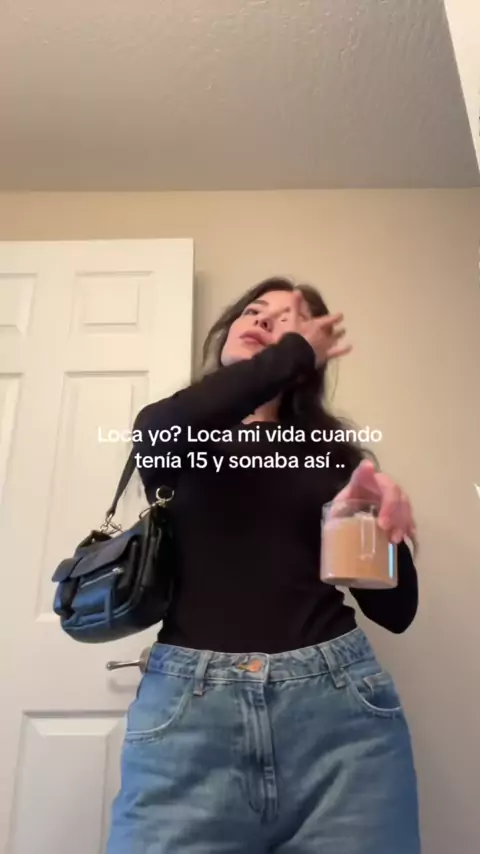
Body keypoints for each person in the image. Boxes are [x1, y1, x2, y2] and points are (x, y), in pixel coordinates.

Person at [106, 277, 421, 854]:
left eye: (284, 319)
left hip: (339, 720)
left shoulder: (333, 458)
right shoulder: (178, 435)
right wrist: (295, 349)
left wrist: (380, 532)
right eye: (253, 311)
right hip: (189, 719)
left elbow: (396, 611)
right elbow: (161, 429)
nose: (261, 322)